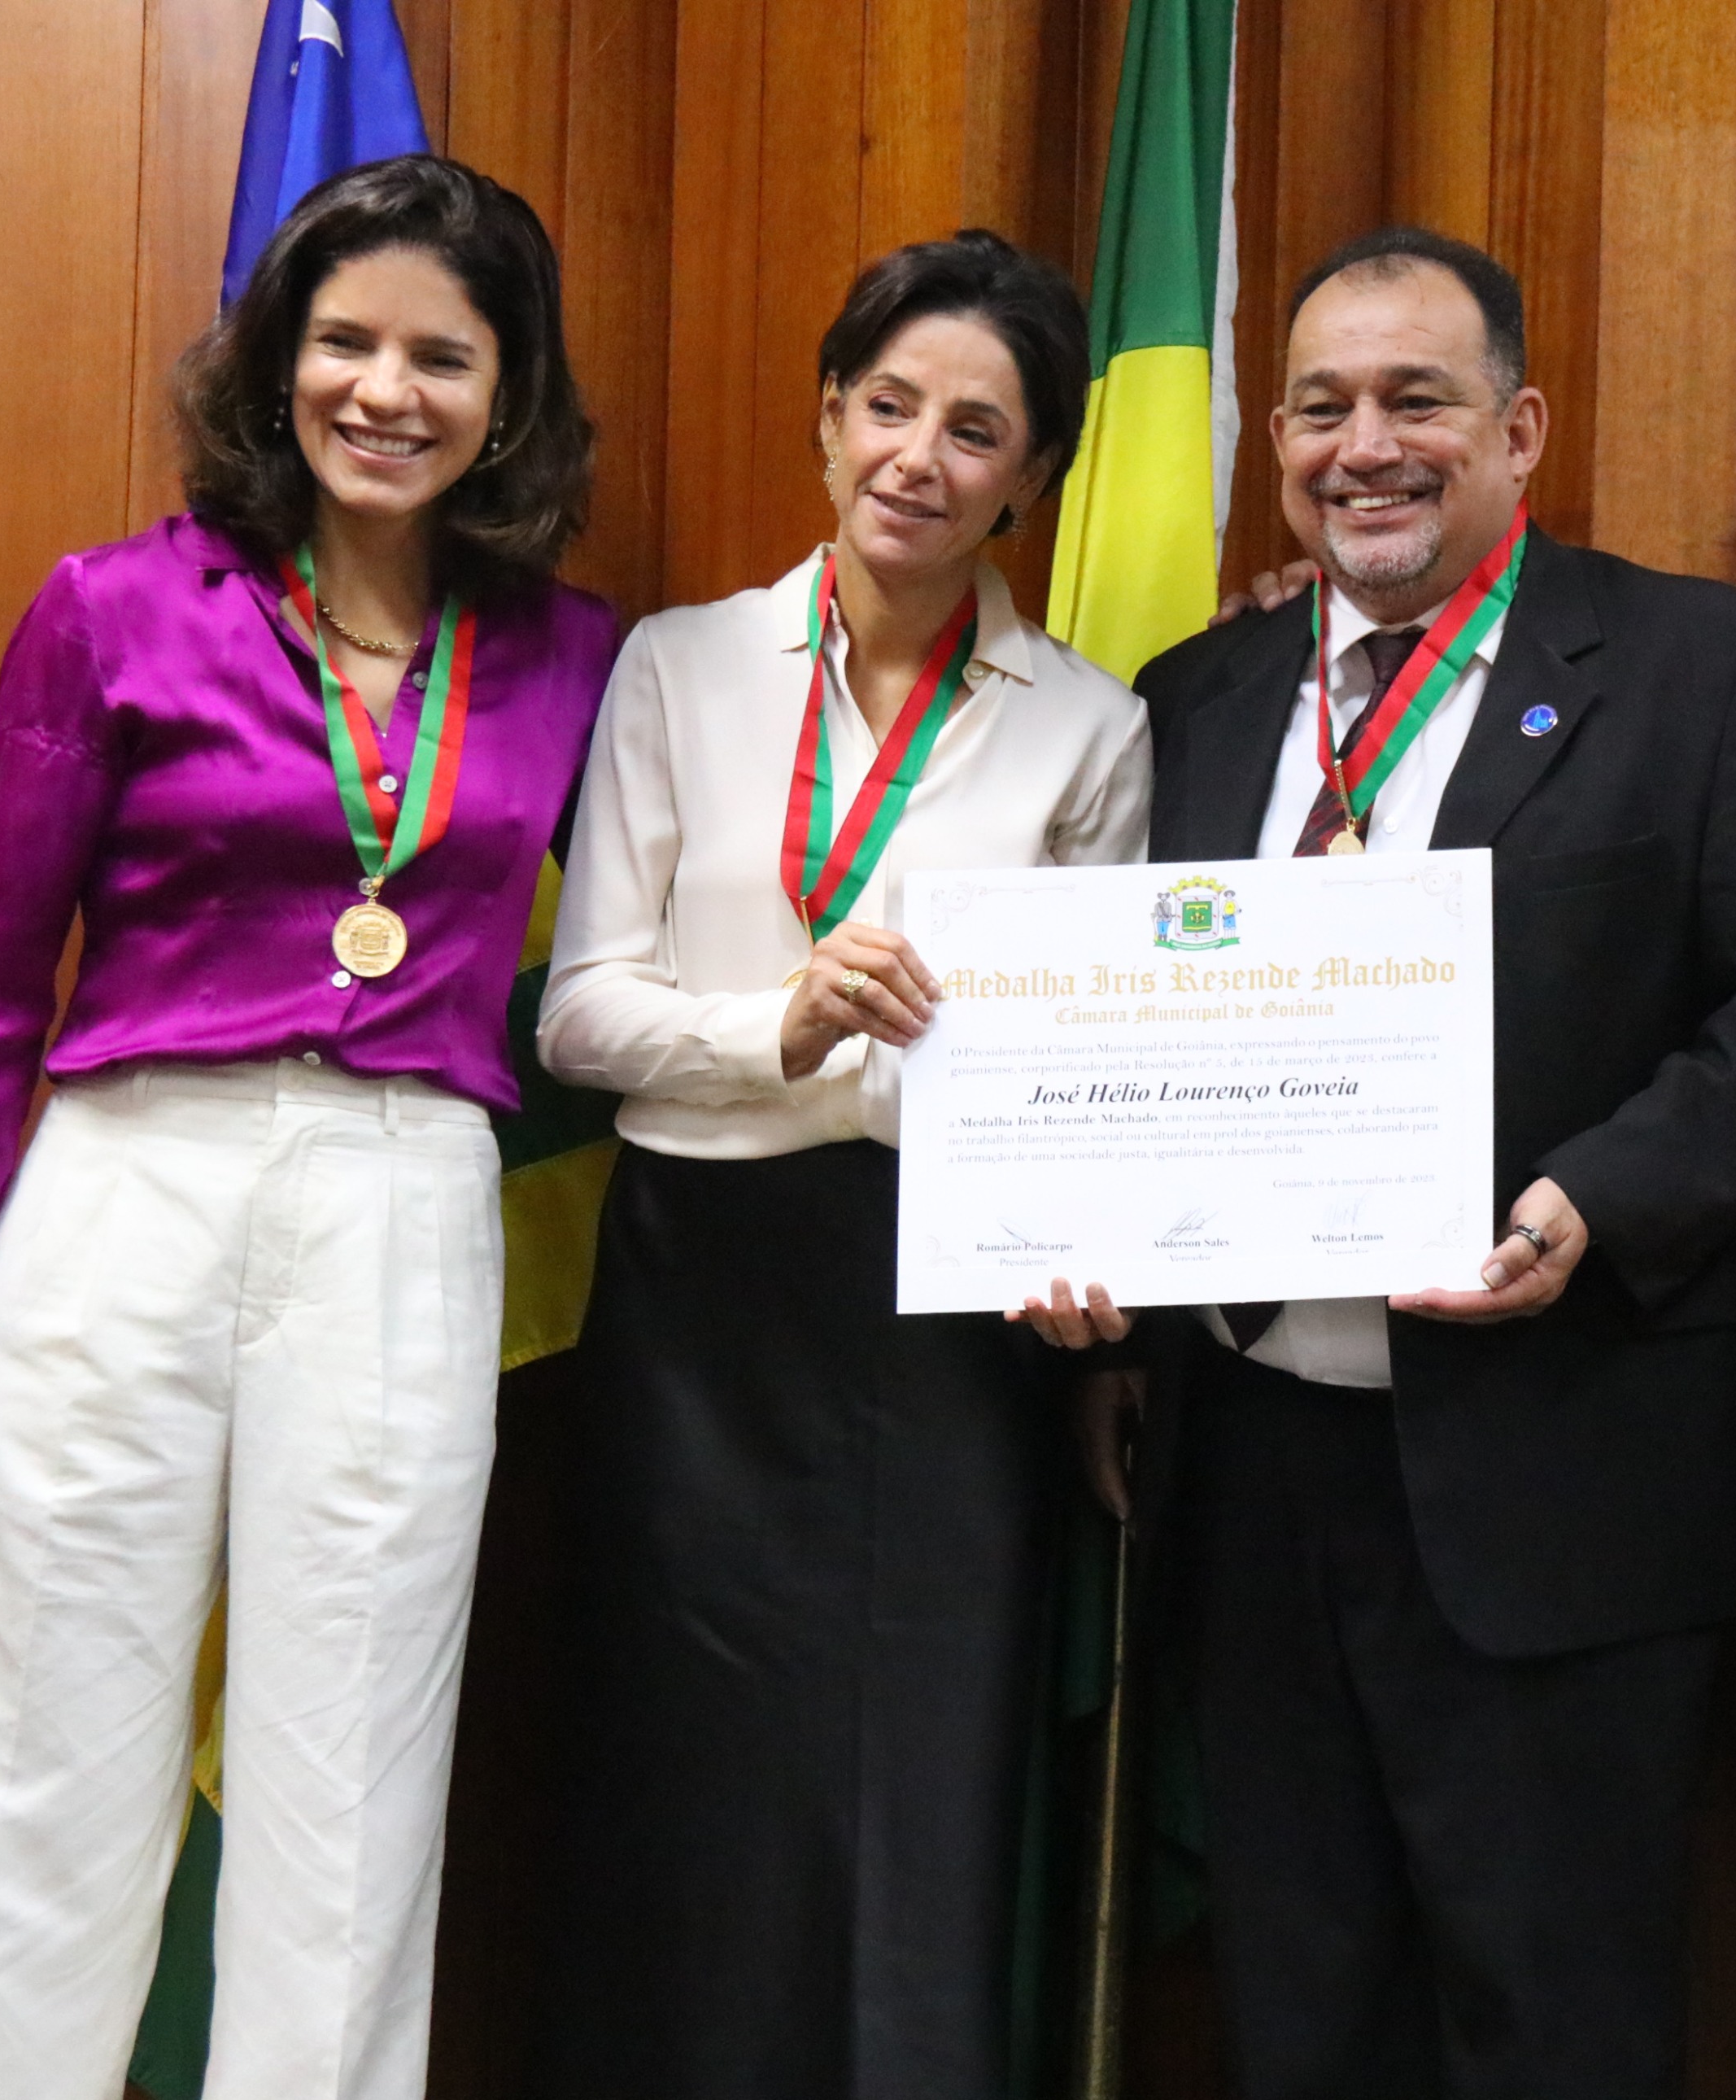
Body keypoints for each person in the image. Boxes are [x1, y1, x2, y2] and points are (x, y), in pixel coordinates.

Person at [1110, 225, 1736, 2100]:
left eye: (1417, 400)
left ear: (1520, 428)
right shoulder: (1197, 696)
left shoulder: (1703, 666)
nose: (1363, 448)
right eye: (1321, 407)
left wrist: (1595, 1202)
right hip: (1260, 1482)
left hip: (1560, 1473)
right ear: (1276, 441)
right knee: (1298, 2017)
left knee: (1554, 2029)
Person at [0, 155, 612, 2100]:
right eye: (346, 341)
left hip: (404, 1196)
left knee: (356, 1769)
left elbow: (767, 747)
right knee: (45, 1744)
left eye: (442, 357)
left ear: (508, 394)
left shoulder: (572, 653)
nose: (386, 391)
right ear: (279, 358)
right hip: (133, 1176)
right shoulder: (116, 610)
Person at [527, 229, 1147, 2100]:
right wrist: (778, 1030)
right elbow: (580, 1016)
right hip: (697, 1302)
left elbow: (1089, 1069)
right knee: (687, 1788)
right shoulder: (680, 665)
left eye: (975, 430)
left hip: (947, 1315)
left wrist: (1082, 1264)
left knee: (922, 1789)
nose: (917, 459)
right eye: (888, 405)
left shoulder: (1091, 724)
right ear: (825, 416)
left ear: (1031, 476)